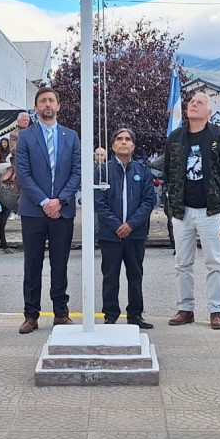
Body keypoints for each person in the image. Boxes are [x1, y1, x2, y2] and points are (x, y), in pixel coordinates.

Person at [163, 92, 220, 330]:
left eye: (199, 102)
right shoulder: (175, 137)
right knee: (182, 262)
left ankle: (216, 310)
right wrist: (171, 200)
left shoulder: (218, 136)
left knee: (215, 262)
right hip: (182, 210)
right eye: (191, 102)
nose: (193, 104)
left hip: (211, 211)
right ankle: (185, 308)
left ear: (208, 112)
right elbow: (168, 171)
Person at [16, 87, 81, 334]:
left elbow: (77, 171)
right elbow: (23, 173)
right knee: (32, 264)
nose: (47, 104)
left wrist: (60, 201)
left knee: (60, 263)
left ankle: (61, 314)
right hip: (34, 211)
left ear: (58, 106)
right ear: (36, 107)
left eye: (51, 100)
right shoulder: (26, 137)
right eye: (42, 101)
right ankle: (31, 315)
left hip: (62, 212)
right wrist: (45, 202)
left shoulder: (71, 136)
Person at [95, 128, 156, 328]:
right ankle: (110, 315)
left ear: (133, 146)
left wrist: (131, 224)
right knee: (110, 276)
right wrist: (116, 225)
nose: (123, 142)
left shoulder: (143, 171)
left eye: (128, 139)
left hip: (135, 234)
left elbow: (148, 201)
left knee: (135, 275)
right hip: (110, 235)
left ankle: (135, 315)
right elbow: (99, 202)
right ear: (112, 145)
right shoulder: (102, 171)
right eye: (119, 139)